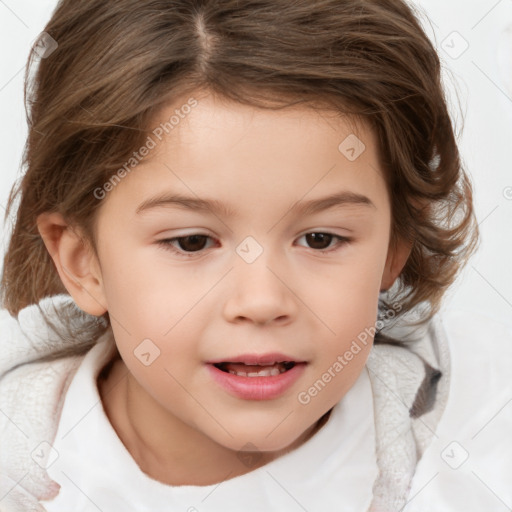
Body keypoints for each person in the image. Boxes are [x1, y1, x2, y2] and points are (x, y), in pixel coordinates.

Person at [1, 0, 511, 510]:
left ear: (393, 248)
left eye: (320, 239)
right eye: (192, 242)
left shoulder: (480, 443)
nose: (263, 301)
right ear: (82, 261)